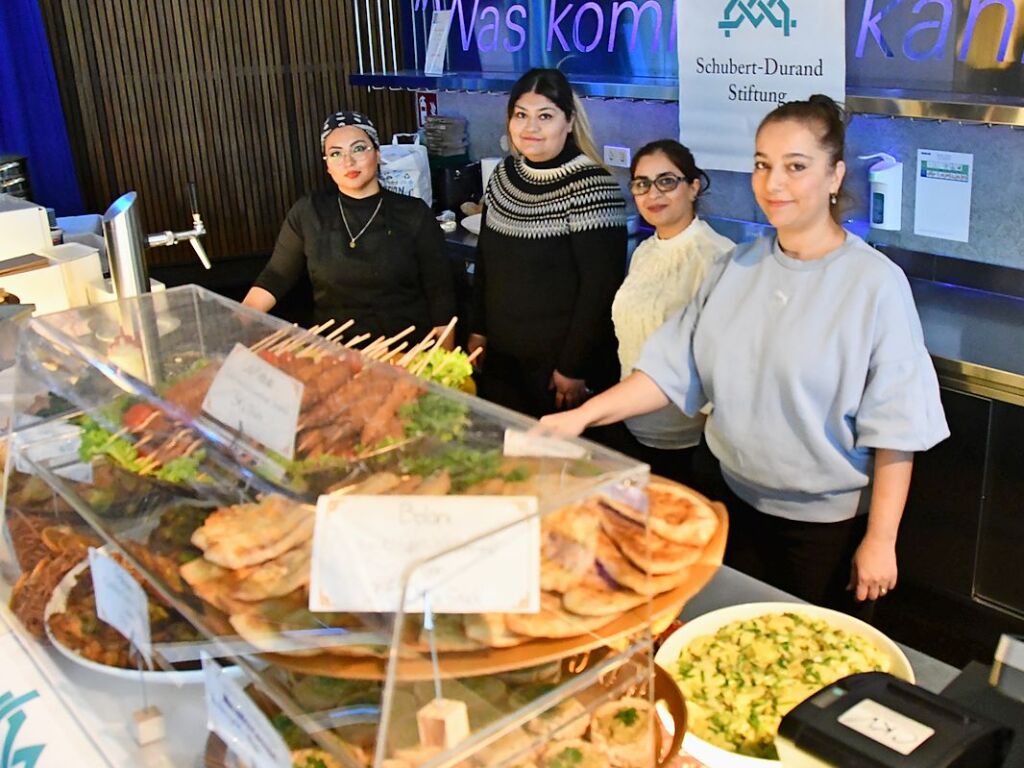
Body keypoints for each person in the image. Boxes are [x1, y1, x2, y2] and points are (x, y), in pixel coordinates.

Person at [541, 95, 949, 618]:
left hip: (822, 532)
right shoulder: (737, 266)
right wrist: (578, 417)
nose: (773, 183)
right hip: (728, 504)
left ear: (834, 175)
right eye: (762, 164)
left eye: (795, 167)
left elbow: (896, 429)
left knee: (803, 670)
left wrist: (880, 540)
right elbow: (669, 370)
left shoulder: (875, 284)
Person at [467, 69, 627, 417]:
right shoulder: (503, 176)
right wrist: (478, 331)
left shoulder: (593, 186)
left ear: (568, 122)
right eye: (521, 115)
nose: (530, 128)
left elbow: (600, 290)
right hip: (503, 362)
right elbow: (486, 262)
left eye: (545, 116)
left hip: (559, 370)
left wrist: (572, 367)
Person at [244, 111, 456, 345]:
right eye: (336, 153)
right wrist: (237, 320)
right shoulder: (309, 212)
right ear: (327, 166)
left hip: (406, 350)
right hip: (334, 351)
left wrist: (444, 363)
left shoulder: (413, 212)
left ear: (377, 154)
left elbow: (440, 289)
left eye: (358, 148)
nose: (348, 162)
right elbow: (276, 275)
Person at [610, 140, 733, 483]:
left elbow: (722, 372)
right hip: (633, 427)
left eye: (667, 181)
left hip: (688, 443)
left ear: (693, 187)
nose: (653, 194)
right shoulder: (645, 252)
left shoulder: (717, 257)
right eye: (642, 184)